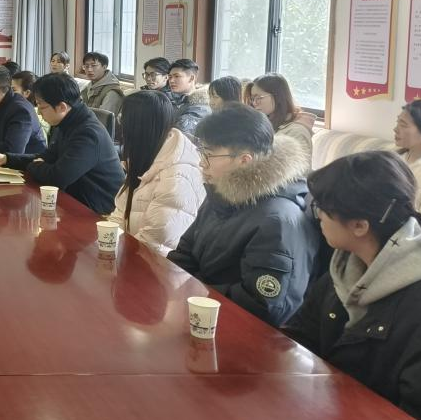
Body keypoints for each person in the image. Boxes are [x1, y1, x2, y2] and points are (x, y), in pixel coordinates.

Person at [286, 151, 421, 420]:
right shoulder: (346, 265)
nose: (317, 216)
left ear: (359, 226)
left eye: (323, 209)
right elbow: (299, 336)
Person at [168, 105, 316, 327]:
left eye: (209, 155)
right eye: (201, 153)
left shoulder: (277, 220)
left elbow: (263, 307)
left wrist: (193, 291)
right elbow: (184, 254)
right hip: (201, 315)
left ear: (244, 160)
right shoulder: (222, 193)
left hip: (243, 331)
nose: (201, 162)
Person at [0, 72, 125, 215]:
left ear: (62, 107)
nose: (39, 112)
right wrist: (7, 159)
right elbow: (47, 157)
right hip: (75, 199)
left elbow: (57, 178)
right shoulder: (70, 121)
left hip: (97, 212)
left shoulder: (88, 134)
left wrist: (35, 165)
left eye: (41, 106)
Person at [108, 90, 205, 255]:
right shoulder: (146, 155)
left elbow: (155, 241)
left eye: (123, 119)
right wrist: (106, 240)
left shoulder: (177, 176)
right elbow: (120, 212)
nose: (120, 127)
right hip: (134, 253)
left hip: (158, 263)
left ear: (138, 127)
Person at [247, 73, 316, 161]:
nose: (254, 103)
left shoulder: (297, 132)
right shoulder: (268, 124)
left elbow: (296, 169)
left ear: (278, 96)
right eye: (253, 99)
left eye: (259, 98)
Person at [167, 59, 211, 139]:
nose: (171, 81)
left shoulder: (201, 106)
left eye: (177, 76)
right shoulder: (170, 100)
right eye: (170, 77)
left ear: (191, 78)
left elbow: (179, 136)